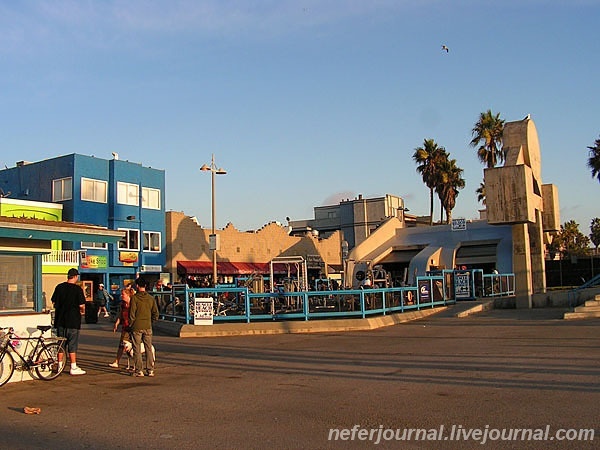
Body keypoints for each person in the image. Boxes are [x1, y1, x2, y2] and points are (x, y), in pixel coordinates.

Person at [51, 268, 87, 376]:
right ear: (75, 276)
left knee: (61, 343)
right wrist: (82, 312)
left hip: (60, 320)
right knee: (72, 344)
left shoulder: (59, 287)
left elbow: (53, 302)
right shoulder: (77, 289)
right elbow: (81, 305)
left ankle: (60, 365)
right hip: (73, 320)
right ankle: (73, 366)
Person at [129, 277, 158, 377]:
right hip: (148, 326)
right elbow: (156, 313)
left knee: (137, 349)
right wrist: (151, 322)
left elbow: (132, 314)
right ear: (145, 286)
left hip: (136, 326)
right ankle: (150, 370)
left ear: (137, 286)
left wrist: (130, 325)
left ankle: (139, 370)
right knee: (148, 348)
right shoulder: (151, 298)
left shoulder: (135, 298)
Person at [108, 286, 134, 369]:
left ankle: (136, 363)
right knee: (122, 344)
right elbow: (120, 314)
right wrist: (117, 323)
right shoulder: (122, 304)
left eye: (123, 294)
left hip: (133, 327)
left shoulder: (133, 304)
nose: (121, 296)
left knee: (135, 345)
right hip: (125, 326)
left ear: (128, 295)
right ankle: (116, 361)